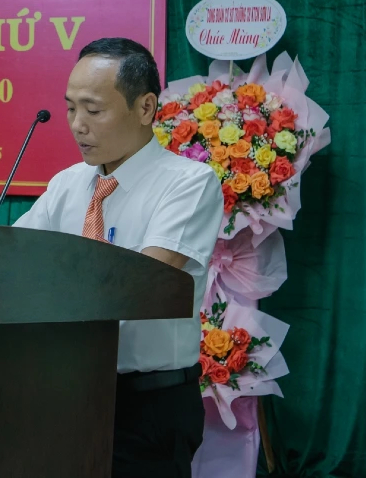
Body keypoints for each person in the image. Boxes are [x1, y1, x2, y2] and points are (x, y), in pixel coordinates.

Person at [13, 37, 223, 478]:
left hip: (147, 405)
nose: (77, 125)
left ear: (145, 108)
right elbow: (11, 260)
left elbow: (141, 283)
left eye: (93, 110)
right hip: (64, 393)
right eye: (71, 108)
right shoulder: (68, 183)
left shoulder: (188, 183)